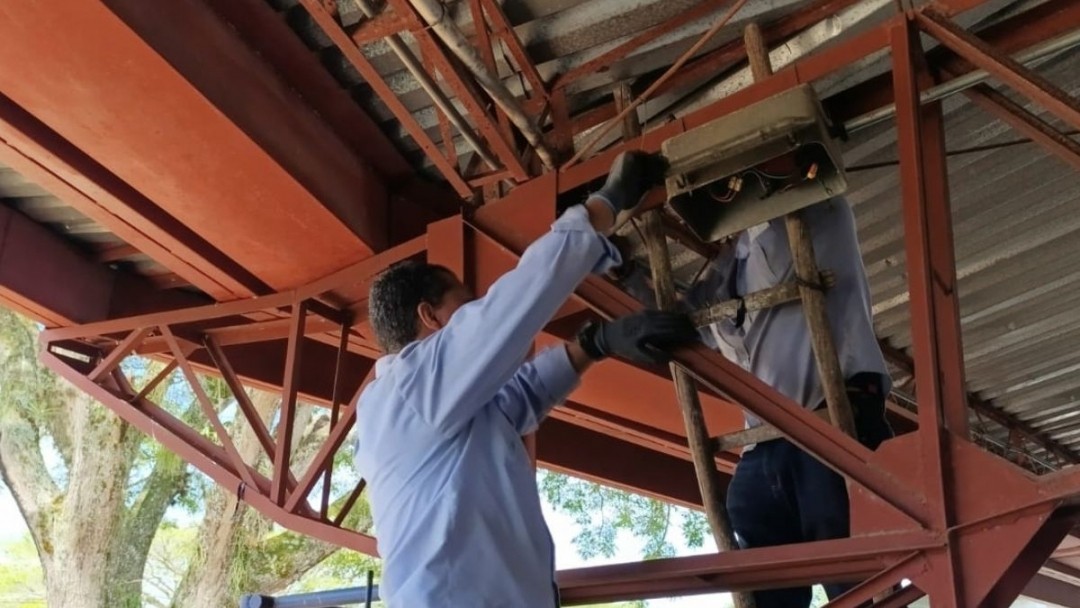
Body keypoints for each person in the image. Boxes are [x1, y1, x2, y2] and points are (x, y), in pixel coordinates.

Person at [353, 151, 697, 608]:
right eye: (465, 304)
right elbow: (513, 306)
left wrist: (594, 344)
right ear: (430, 317)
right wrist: (604, 205)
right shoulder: (411, 386)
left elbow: (516, 401)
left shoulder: (426, 408)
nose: (475, 314)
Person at [686, 196, 894, 607]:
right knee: (755, 537)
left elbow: (801, 184)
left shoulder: (814, 213)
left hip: (831, 423)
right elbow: (687, 323)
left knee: (853, 583)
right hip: (763, 451)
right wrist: (624, 273)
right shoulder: (732, 263)